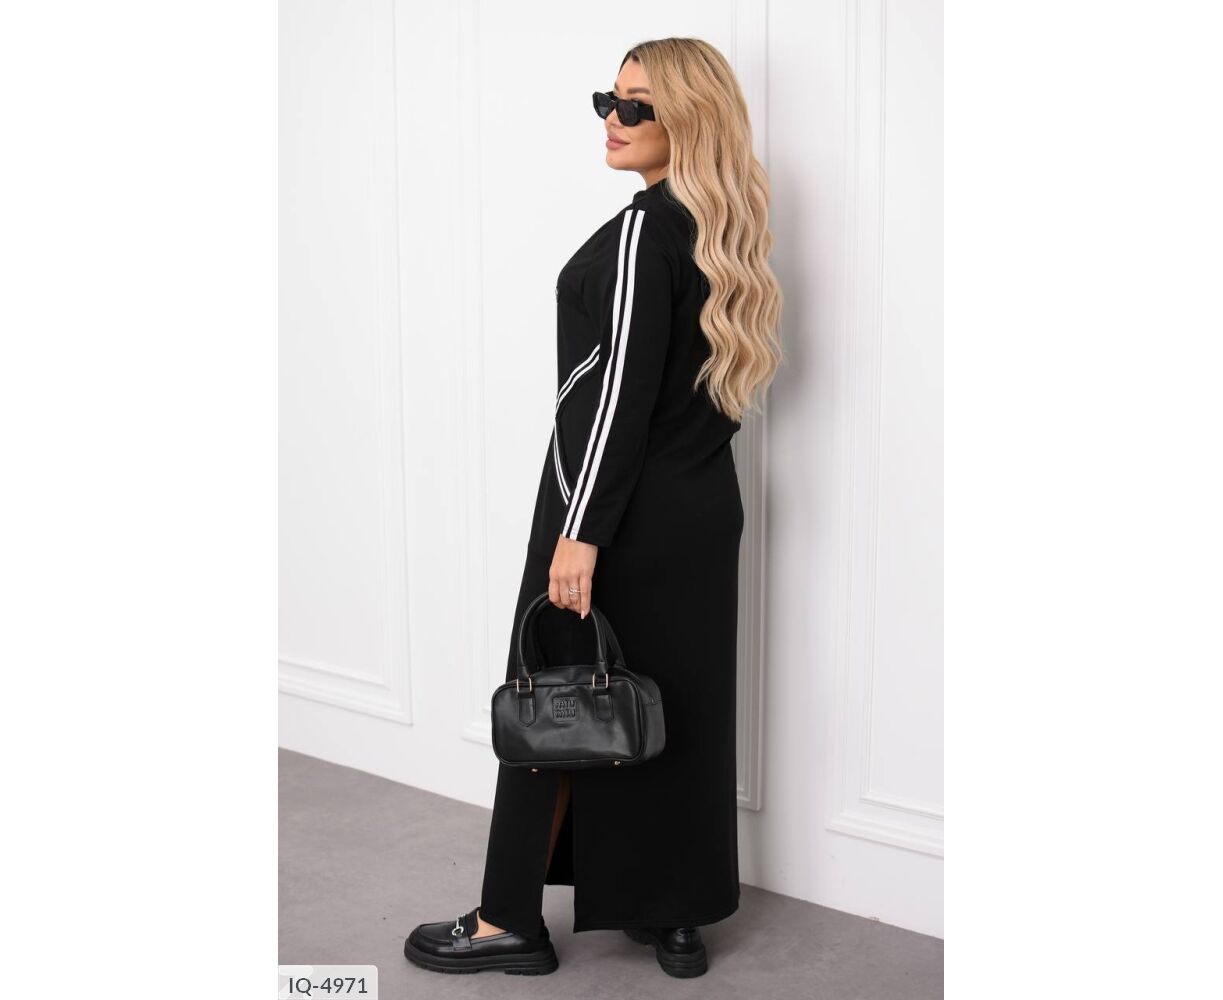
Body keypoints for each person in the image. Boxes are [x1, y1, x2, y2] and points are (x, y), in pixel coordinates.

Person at [404, 36, 782, 979]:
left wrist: (579, 531)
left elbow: (614, 399)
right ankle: (674, 914)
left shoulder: (646, 229)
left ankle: (506, 921)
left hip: (614, 510)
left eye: (637, 106)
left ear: (688, 118)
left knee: (555, 696)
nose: (613, 120)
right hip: (700, 511)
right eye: (606, 101)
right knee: (676, 707)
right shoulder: (719, 229)